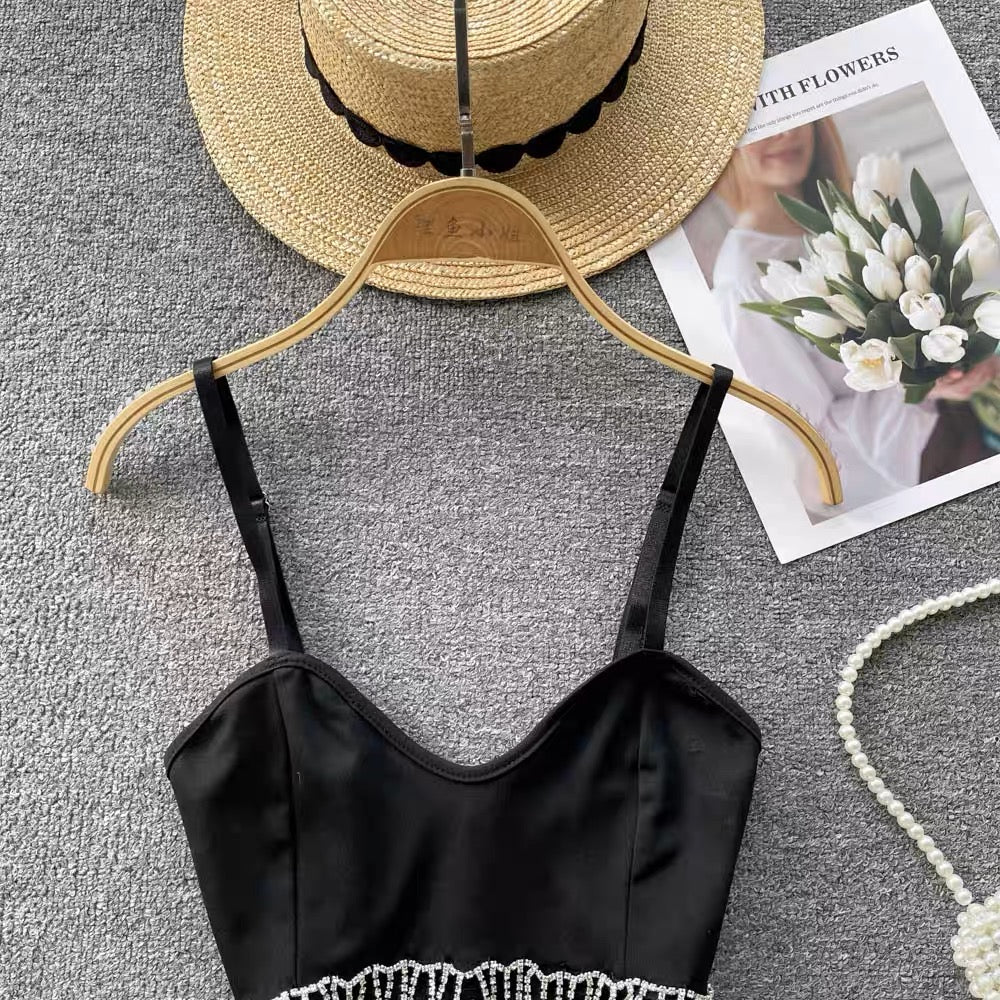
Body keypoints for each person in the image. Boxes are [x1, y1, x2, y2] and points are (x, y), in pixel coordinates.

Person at [708, 119, 997, 518]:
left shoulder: (851, 216)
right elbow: (810, 438)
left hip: (964, 416)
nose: (784, 133)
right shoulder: (743, 280)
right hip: (917, 458)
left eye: (792, 119)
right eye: (753, 127)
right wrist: (923, 387)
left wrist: (970, 358)